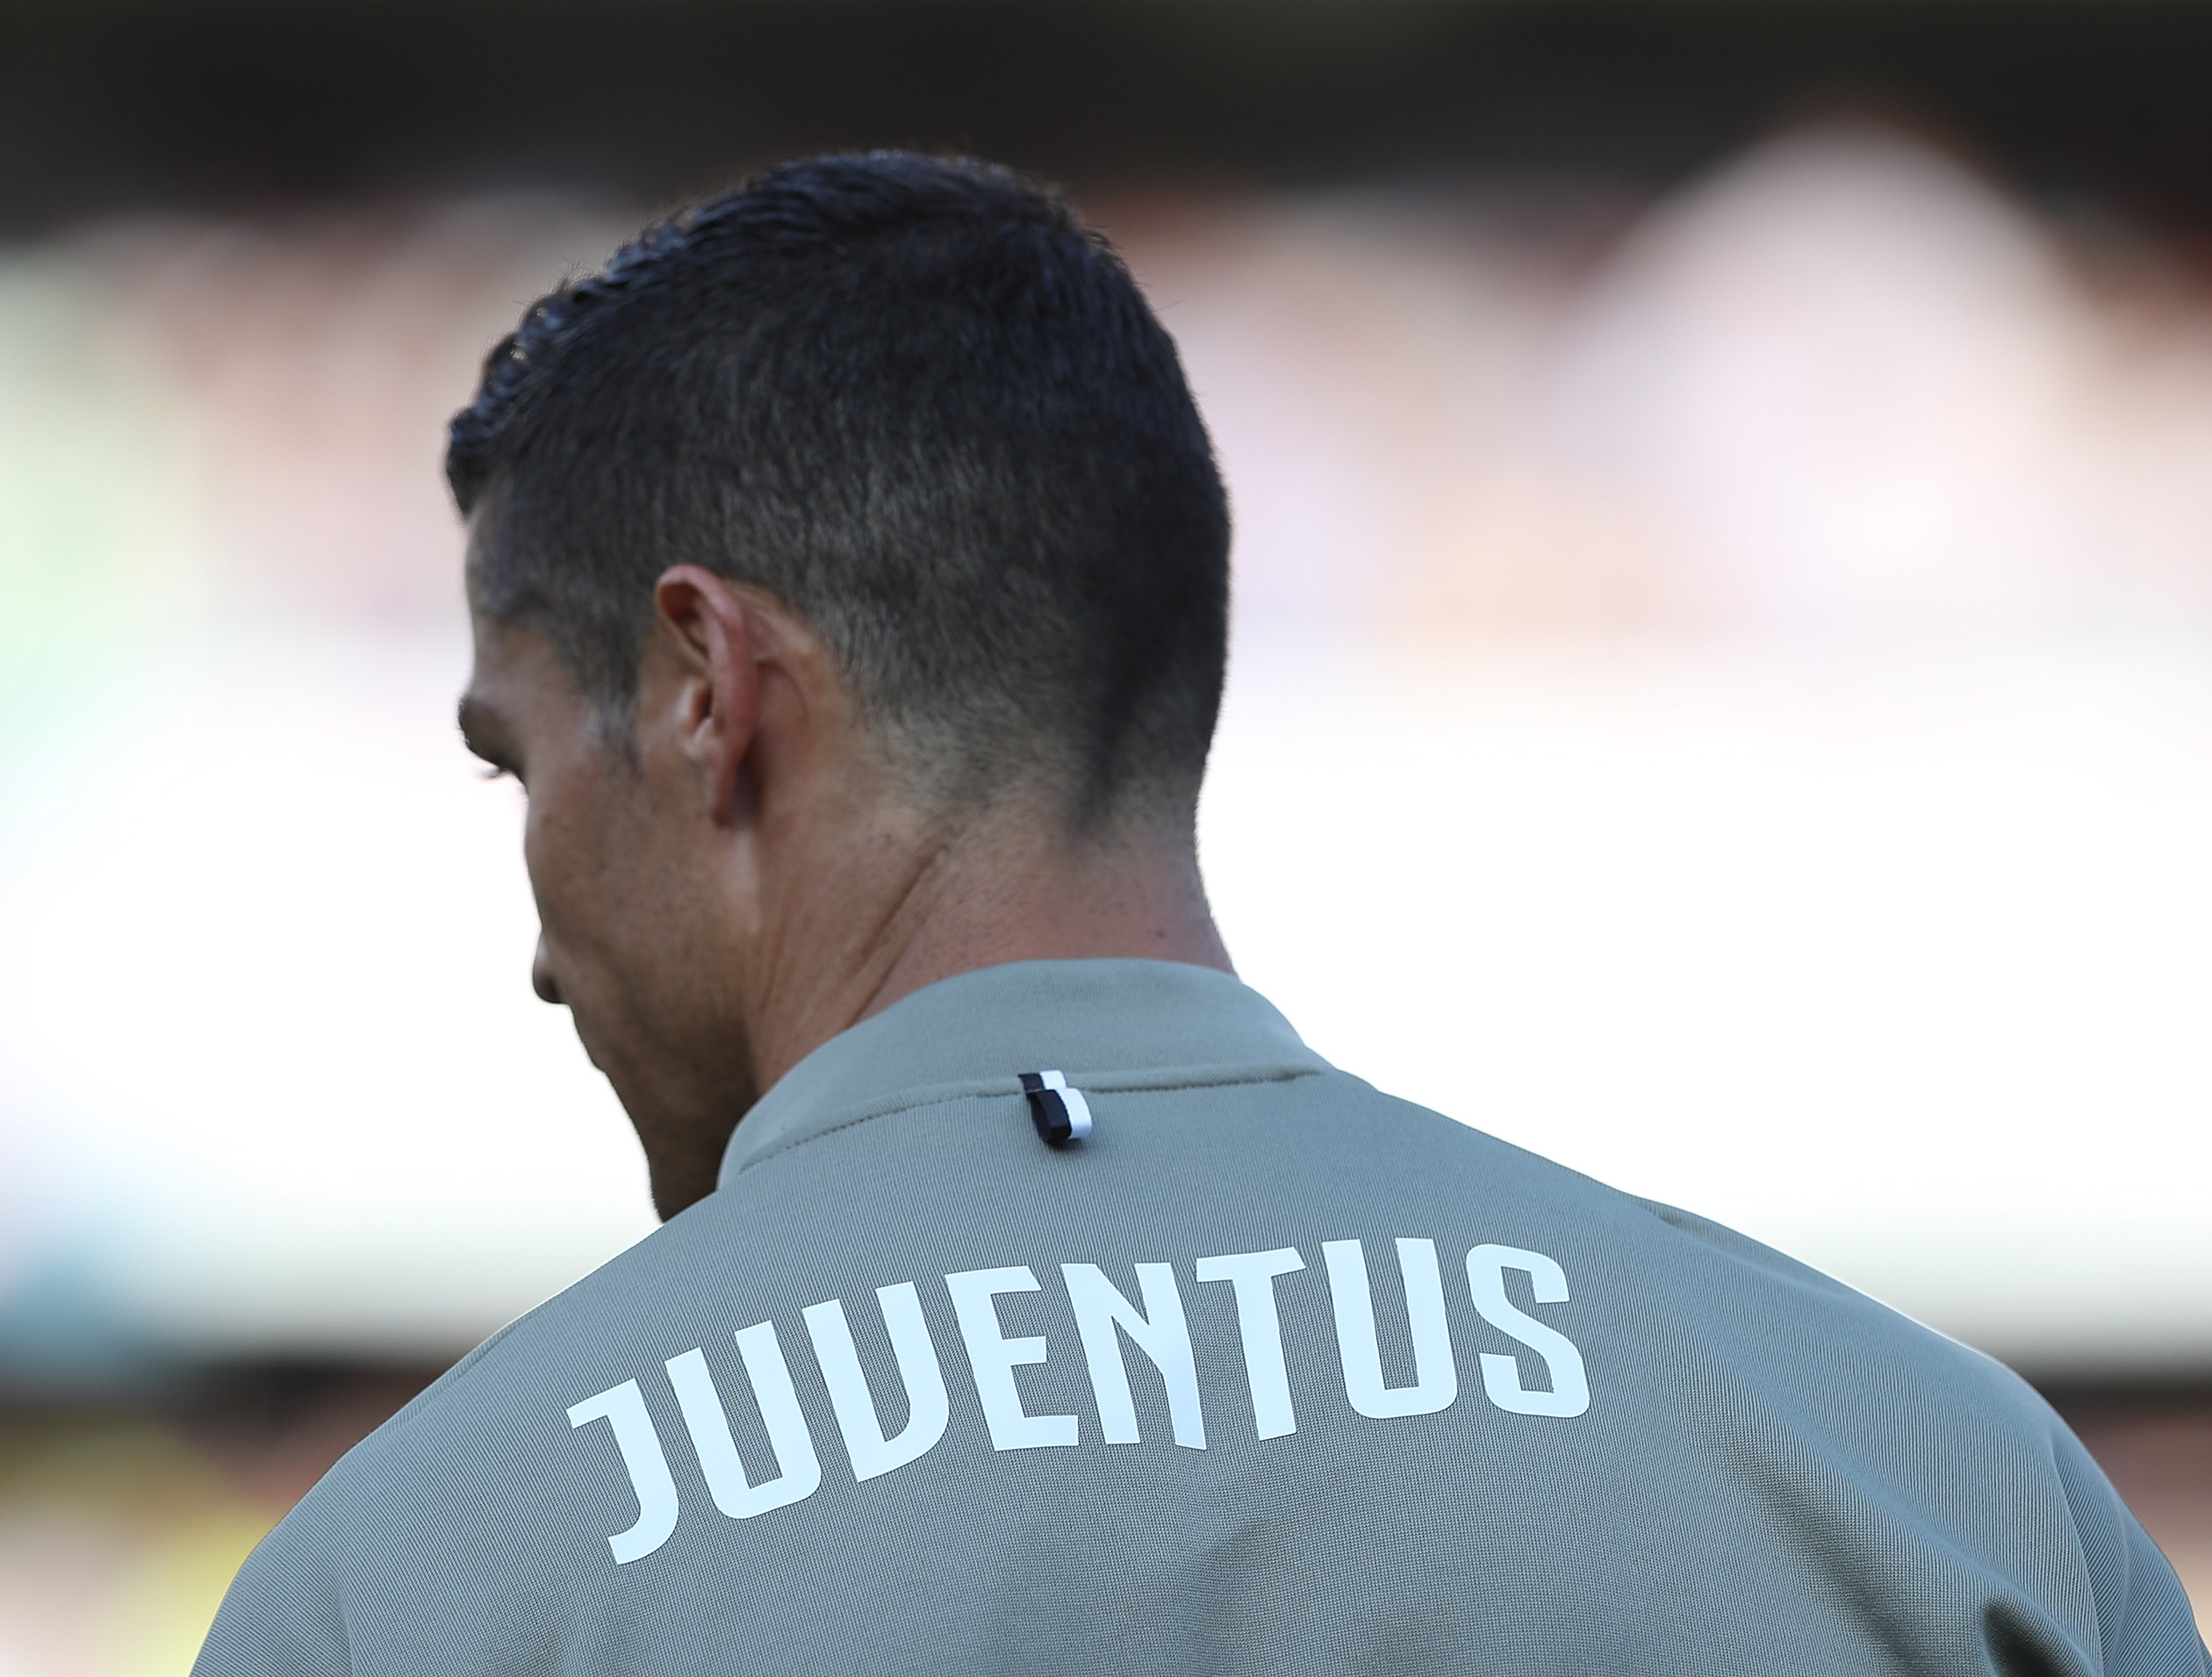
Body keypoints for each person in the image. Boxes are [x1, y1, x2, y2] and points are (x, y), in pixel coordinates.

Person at [193, 152, 2205, 1676]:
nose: (535, 932)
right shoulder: (1933, 1485)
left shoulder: (422, 1588)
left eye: (512, 763)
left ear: (711, 692)